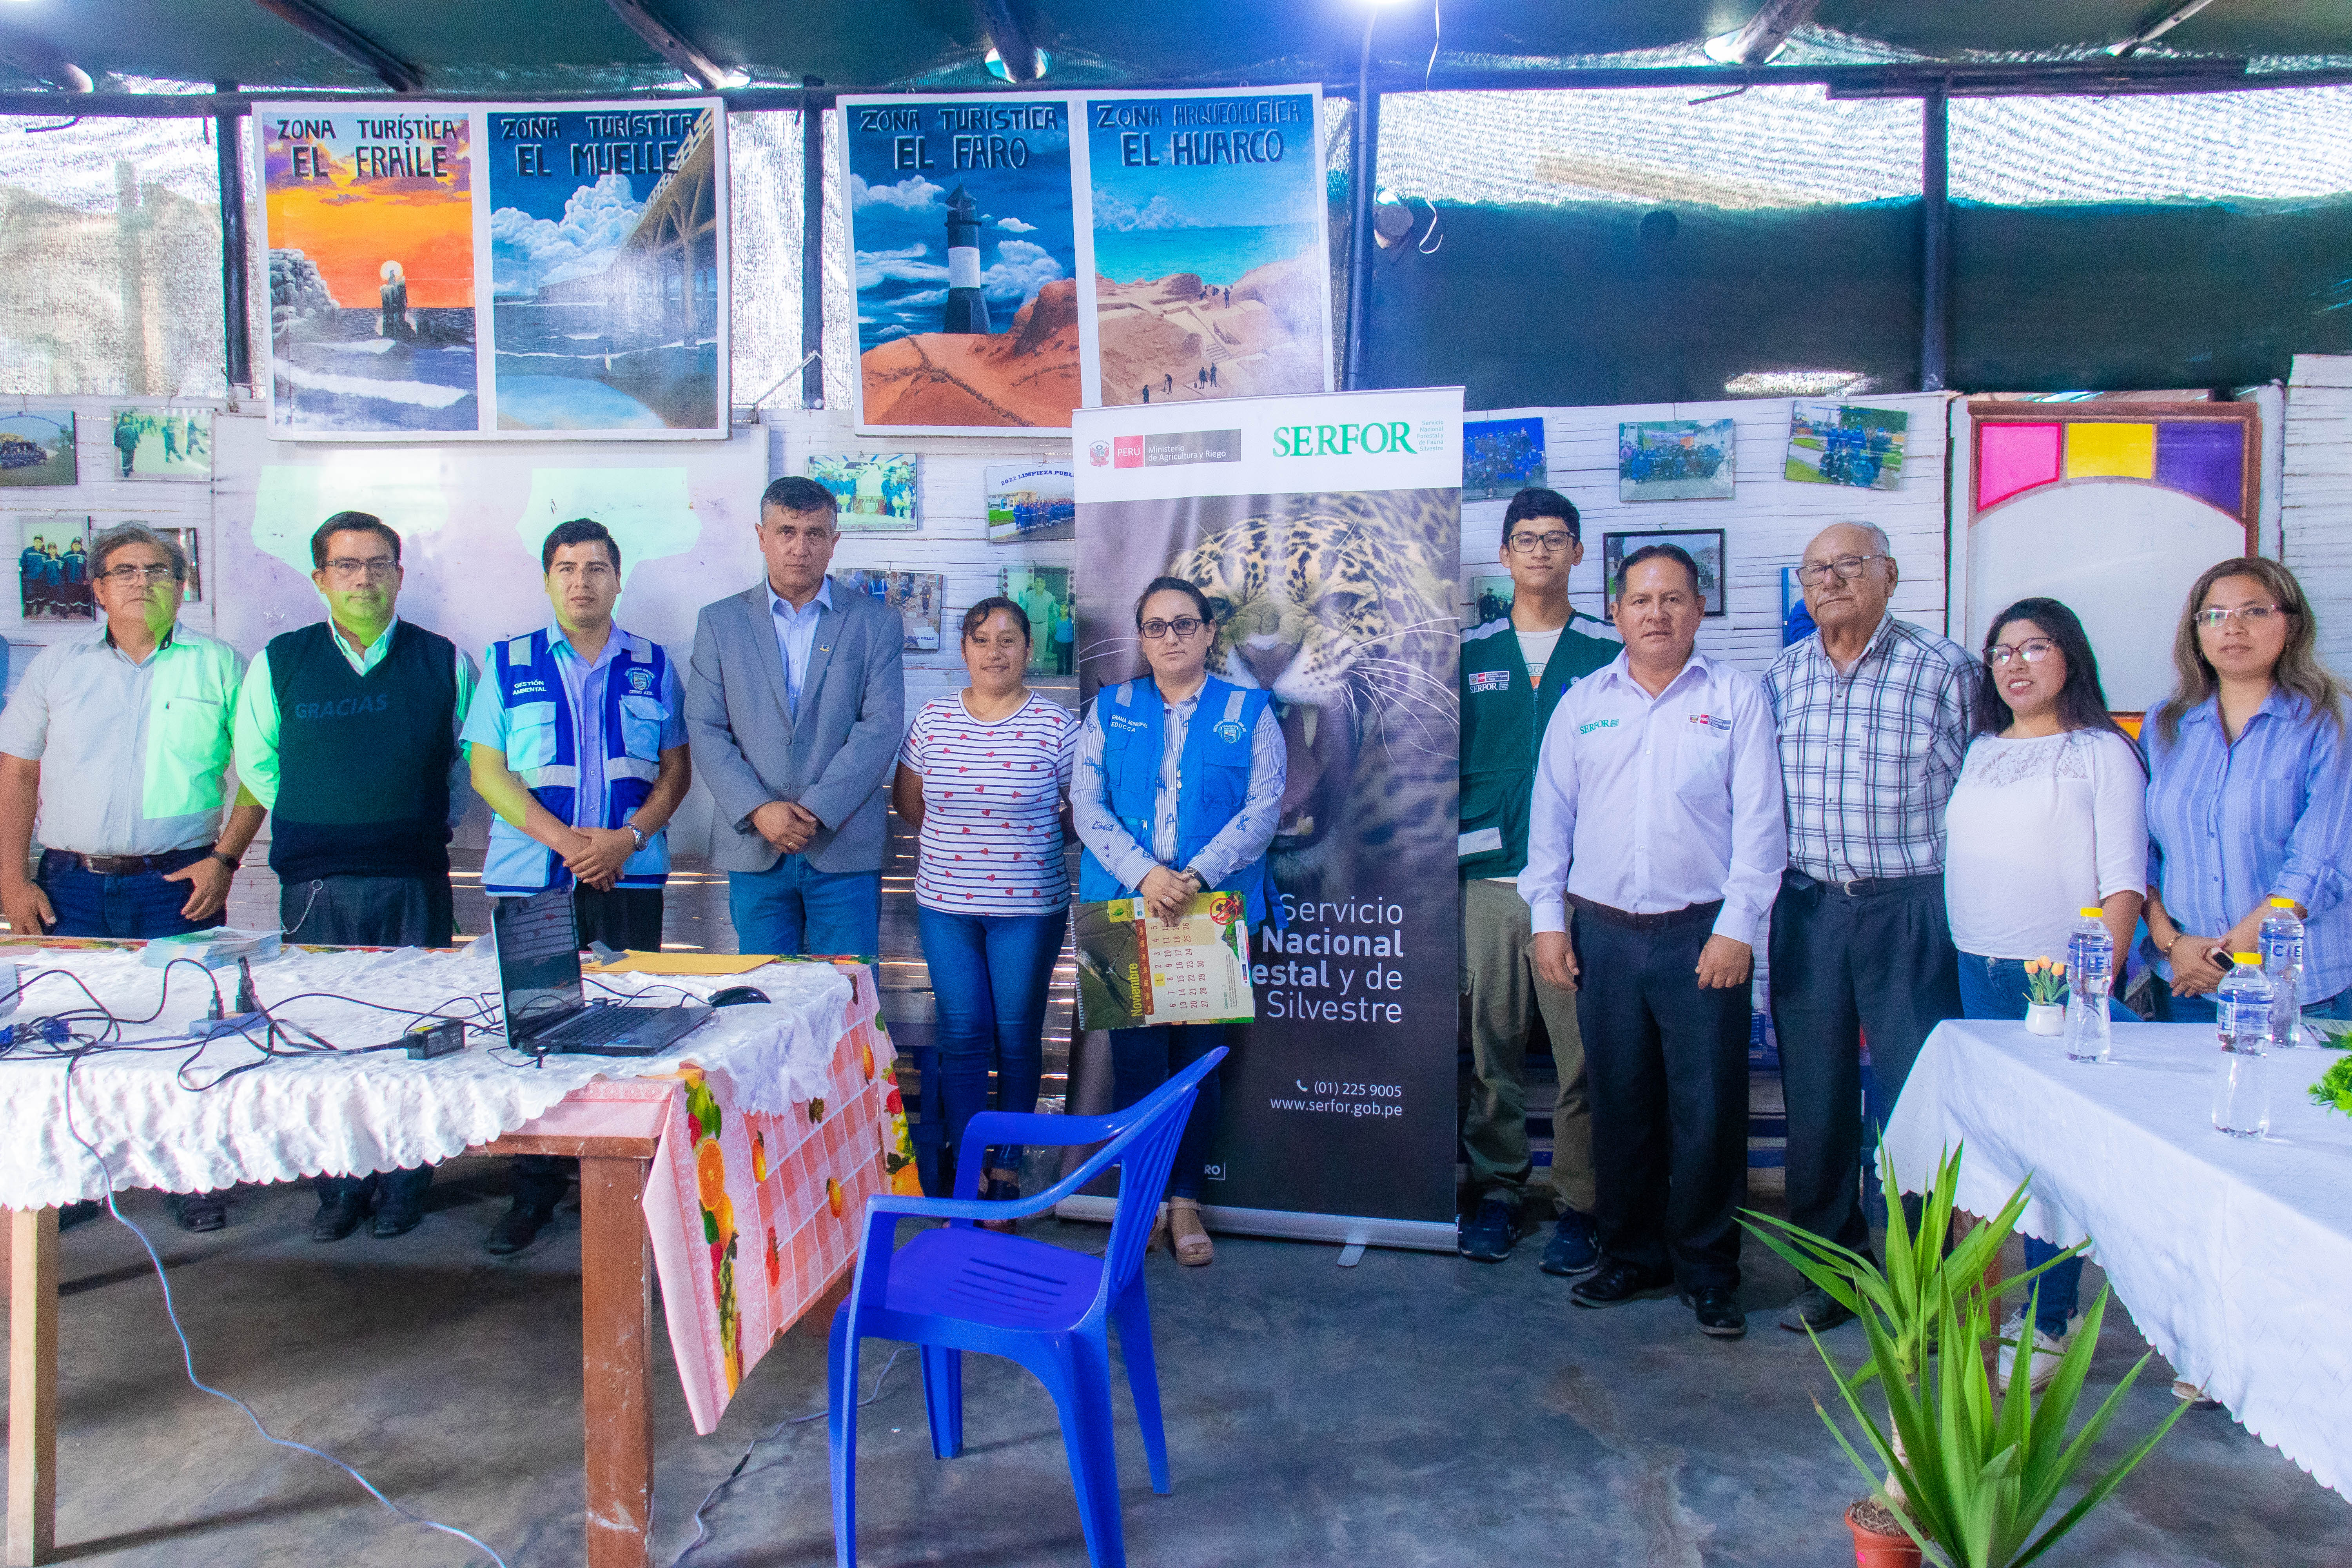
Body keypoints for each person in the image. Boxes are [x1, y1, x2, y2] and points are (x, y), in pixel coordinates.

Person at [1522, 545, 1784, 1340]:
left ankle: (1708, 1269)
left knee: (1707, 1111)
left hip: (1703, 936)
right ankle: (1632, 1252)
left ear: (1700, 609)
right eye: (1641, 599)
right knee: (1620, 1103)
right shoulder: (1582, 702)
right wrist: (1547, 922)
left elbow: (1762, 826)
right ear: (1617, 612)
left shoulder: (1737, 699)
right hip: (1602, 933)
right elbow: (1551, 822)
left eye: (1674, 598)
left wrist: (1739, 927)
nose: (1658, 613)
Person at [0, 524, 262, 1234]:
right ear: (97, 587)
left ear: (184, 585)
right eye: (123, 571)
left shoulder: (222, 666)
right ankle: (79, 1180)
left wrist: (226, 859)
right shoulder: (57, 668)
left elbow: (259, 776)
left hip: (176, 884)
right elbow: (18, 772)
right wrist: (10, 881)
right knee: (68, 1033)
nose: (140, 583)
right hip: (69, 885)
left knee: (190, 1034)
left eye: (157, 570)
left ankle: (190, 1177)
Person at [233, 511, 478, 1243]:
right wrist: (326, 814)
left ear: (400, 576)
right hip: (316, 883)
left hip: (413, 877)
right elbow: (257, 762)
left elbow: (465, 772)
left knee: (416, 1035)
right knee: (324, 1032)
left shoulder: (443, 661)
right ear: (320, 579)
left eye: (378, 565)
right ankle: (339, 1187)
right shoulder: (281, 660)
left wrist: (403, 819)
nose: (363, 578)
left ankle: (405, 1184)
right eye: (347, 566)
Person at [1762, 521, 1978, 1333]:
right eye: (1815, 568)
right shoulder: (1781, 677)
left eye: (1849, 564)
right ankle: (1830, 1275)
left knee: (1916, 1102)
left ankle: (1920, 1283)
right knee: (1815, 1100)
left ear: (1889, 573)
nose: (1831, 580)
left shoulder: (1947, 670)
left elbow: (1981, 790)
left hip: (1911, 907)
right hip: (1810, 906)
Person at [464, 518, 691, 1255]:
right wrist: (569, 844)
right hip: (535, 879)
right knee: (534, 1037)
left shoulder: (653, 665)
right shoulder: (507, 663)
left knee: (629, 1031)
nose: (582, 581)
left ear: (618, 580)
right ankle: (533, 1195)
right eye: (566, 567)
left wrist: (625, 841)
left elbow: (675, 770)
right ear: (547, 579)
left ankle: (621, 1198)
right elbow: (487, 772)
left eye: (597, 567)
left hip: (628, 876)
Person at [1942, 595, 2145, 1391]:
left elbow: (2125, 877)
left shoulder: (2100, 751)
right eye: (2001, 650)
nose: (2015, 662)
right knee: (2005, 1152)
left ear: (2071, 657)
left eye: (2035, 646)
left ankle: (2053, 1318)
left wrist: (2097, 985)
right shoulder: (1983, 749)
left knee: (2053, 1157)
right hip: (1974, 968)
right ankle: (2000, 1311)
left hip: (2056, 978)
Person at [1074, 576, 1284, 1267]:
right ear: (1141, 637)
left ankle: (1187, 1200)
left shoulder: (1250, 710)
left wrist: (1192, 878)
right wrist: (1146, 875)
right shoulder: (1112, 707)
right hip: (1125, 906)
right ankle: (1147, 1203)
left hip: (1209, 912)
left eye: (1184, 624)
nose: (1171, 638)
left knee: (1196, 1069)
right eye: (1156, 626)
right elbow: (1087, 805)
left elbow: (1262, 812)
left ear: (1209, 633)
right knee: (1137, 1069)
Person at [1455, 488, 1617, 1273]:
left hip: (1582, 888)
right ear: (1506, 554)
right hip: (1486, 880)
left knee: (1583, 1051)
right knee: (1491, 1047)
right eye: (1526, 538)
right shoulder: (1469, 650)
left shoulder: (1608, 649)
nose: (1541, 551)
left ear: (1579, 553)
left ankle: (1581, 1202)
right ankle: (1496, 1190)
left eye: (1556, 538)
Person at [892, 598, 1078, 1226]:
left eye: (1008, 640)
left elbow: (1081, 817)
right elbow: (911, 803)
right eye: (980, 639)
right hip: (946, 904)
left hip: (1029, 907)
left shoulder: (1056, 726)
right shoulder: (934, 719)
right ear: (963, 649)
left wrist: (1015, 850)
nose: (994, 652)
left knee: (1017, 1034)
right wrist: (964, 850)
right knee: (964, 1036)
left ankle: (1007, 1166)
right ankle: (968, 1174)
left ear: (1029, 649)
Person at [686, 475, 905, 962]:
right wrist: (760, 809)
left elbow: (881, 726)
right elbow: (704, 726)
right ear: (762, 537)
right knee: (767, 998)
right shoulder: (720, 622)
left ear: (834, 543)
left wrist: (817, 811)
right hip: (755, 844)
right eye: (786, 532)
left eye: (814, 534)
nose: (799, 547)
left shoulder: (877, 623)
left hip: (843, 842)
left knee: (848, 1000)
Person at [2144, 557, 2352, 1022]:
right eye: (2214, 615)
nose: (2232, 627)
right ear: (2196, 633)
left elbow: (2319, 865)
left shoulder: (2332, 720)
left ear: (2292, 625)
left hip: (2295, 989)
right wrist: (2171, 942)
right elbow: (2145, 850)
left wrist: (2223, 959)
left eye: (2254, 611)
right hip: (2185, 988)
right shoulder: (2166, 725)